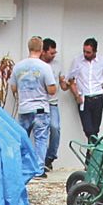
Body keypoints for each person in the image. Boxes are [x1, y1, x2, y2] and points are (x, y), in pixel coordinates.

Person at [9, 36, 57, 176]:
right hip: (41, 109)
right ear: (41, 50)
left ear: (28, 48)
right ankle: (38, 169)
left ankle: (21, 167)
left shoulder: (18, 66)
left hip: (24, 108)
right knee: (40, 139)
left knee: (22, 139)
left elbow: (13, 87)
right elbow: (52, 90)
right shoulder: (45, 67)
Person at [63, 37, 103, 143]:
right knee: (88, 130)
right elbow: (71, 79)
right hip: (84, 98)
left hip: (97, 98)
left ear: (95, 51)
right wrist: (76, 95)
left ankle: (90, 156)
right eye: (84, 51)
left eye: (88, 52)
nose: (86, 54)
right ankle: (93, 153)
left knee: (95, 131)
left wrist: (101, 90)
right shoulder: (77, 61)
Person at [39, 38, 63, 174]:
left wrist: (68, 83)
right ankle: (36, 161)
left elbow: (63, 85)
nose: (53, 56)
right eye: (51, 53)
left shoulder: (57, 65)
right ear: (43, 51)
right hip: (39, 102)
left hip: (53, 103)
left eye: (55, 53)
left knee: (55, 128)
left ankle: (50, 158)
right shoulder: (38, 65)